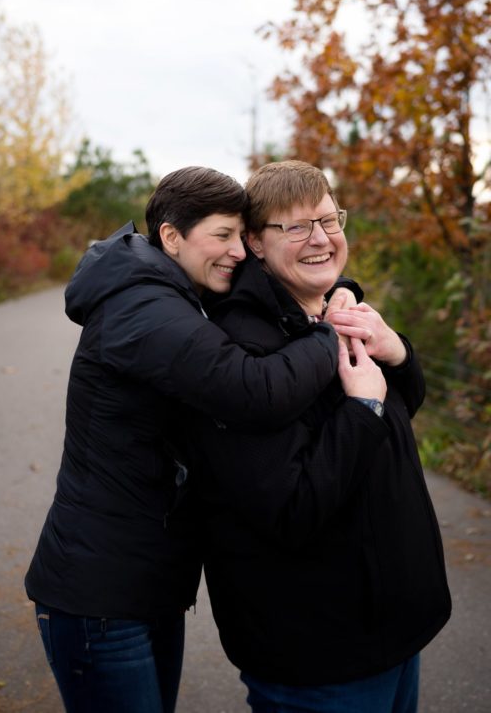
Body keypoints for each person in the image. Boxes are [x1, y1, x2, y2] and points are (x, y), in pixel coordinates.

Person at [24, 166, 353, 713]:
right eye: (221, 236)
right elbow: (254, 390)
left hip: (142, 582)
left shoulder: (170, 295)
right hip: (99, 593)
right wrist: (329, 331)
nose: (238, 252)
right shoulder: (143, 308)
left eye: (238, 237)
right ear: (172, 237)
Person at [184, 160, 451, 712]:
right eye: (297, 226)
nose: (321, 239)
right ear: (254, 242)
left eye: (330, 221)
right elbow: (290, 507)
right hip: (320, 656)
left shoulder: (332, 312)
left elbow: (400, 414)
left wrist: (396, 351)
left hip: (394, 633)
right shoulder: (239, 352)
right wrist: (362, 407)